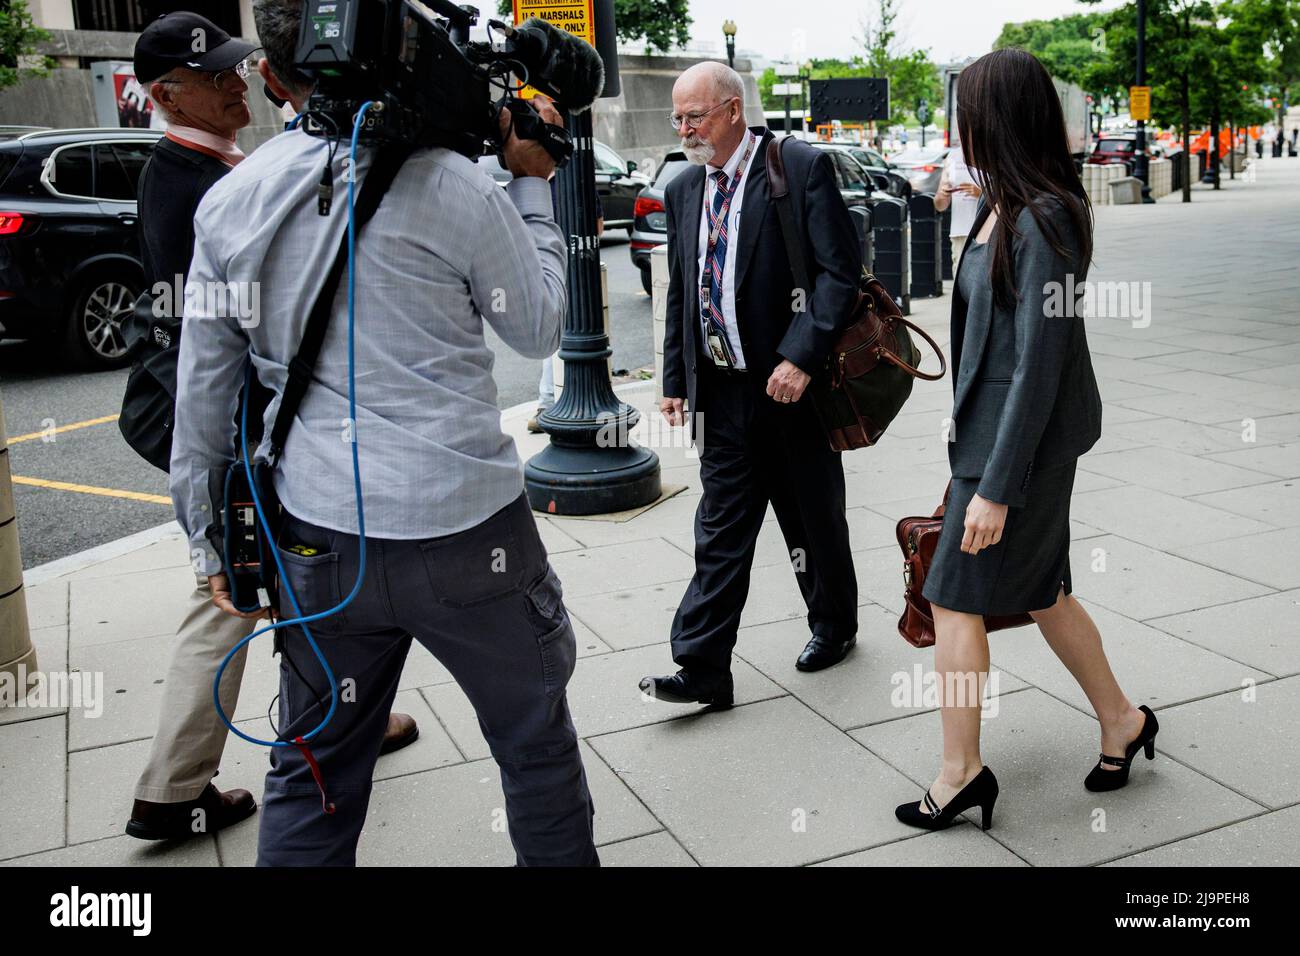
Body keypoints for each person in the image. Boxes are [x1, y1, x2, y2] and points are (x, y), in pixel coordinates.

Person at [169, 0, 598, 866]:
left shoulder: (230, 203)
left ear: (276, 78)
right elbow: (539, 327)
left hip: (320, 543)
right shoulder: (458, 185)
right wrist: (530, 183)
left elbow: (205, 399)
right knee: (533, 744)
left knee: (314, 769)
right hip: (472, 538)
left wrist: (211, 544)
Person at [121, 12, 418, 843]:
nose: (232, 83)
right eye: (211, 78)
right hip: (244, 430)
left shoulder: (206, 164)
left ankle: (342, 719)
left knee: (289, 573)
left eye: (230, 67)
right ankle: (176, 783)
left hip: (251, 427)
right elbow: (218, 344)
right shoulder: (191, 183)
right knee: (232, 589)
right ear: (163, 96)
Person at [894, 49, 1157, 833]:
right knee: (1043, 593)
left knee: (952, 596)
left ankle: (961, 770)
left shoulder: (1047, 217)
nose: (955, 128)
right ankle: (1122, 721)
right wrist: (955, 213)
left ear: (996, 119)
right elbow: (981, 321)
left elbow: (1039, 364)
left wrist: (997, 487)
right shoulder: (998, 205)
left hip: (1024, 449)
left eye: (965, 113)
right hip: (990, 438)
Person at [641, 62, 862, 709]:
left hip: (790, 387)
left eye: (695, 116)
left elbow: (839, 273)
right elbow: (685, 289)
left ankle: (834, 625)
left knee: (811, 518)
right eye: (678, 118)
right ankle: (704, 665)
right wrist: (675, 378)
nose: (684, 128)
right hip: (723, 394)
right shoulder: (685, 188)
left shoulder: (795, 167)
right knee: (720, 529)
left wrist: (799, 355)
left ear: (733, 110)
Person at [933, 149, 982, 275]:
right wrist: (942, 195)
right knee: (960, 281)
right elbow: (940, 205)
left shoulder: (991, 151)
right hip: (960, 232)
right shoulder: (953, 156)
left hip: (985, 232)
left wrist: (981, 195)